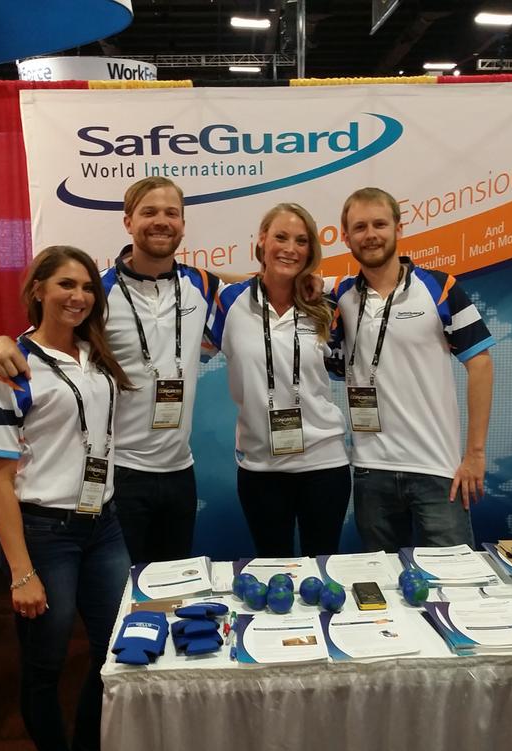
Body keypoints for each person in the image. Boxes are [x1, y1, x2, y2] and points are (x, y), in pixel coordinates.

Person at [0, 178, 221, 565]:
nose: (161, 221)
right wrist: (2, 342)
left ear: (183, 223)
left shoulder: (201, 284)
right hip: (119, 471)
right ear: (128, 221)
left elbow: (257, 290)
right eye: (149, 212)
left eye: (171, 213)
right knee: (121, 590)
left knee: (171, 584)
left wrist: (307, 280)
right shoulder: (100, 292)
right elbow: (45, 341)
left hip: (181, 470)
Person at [0, 245, 131, 751]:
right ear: (38, 290)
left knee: (113, 654)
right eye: (66, 284)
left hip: (104, 526)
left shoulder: (96, 354)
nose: (79, 296)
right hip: (45, 534)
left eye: (87, 286)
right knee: (45, 665)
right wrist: (22, 573)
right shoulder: (9, 369)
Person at [331, 187, 494, 552]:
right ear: (346, 237)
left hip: (437, 470)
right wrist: (206, 277)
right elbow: (272, 280)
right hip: (371, 470)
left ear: (399, 229)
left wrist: (475, 454)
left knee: (455, 578)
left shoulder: (438, 287)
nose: (370, 235)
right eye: (359, 227)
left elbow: (481, 363)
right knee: (385, 580)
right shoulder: (340, 294)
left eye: (379, 224)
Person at [207, 203, 350, 557]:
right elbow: (191, 280)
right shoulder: (229, 302)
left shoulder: (326, 301)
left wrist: (315, 280)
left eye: (301, 241)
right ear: (262, 240)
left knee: (323, 567)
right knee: (274, 570)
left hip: (324, 463)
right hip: (260, 467)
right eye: (281, 237)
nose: (290, 248)